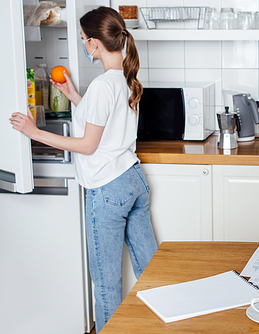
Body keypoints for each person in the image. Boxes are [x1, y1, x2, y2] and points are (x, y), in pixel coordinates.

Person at [10, 7, 158, 332]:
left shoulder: (105, 85)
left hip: (107, 190)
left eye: (82, 40)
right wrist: (74, 95)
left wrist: (34, 133)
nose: (82, 46)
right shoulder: (125, 79)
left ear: (93, 43)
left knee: (106, 286)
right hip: (132, 181)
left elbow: (89, 145)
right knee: (151, 270)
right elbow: (105, 125)